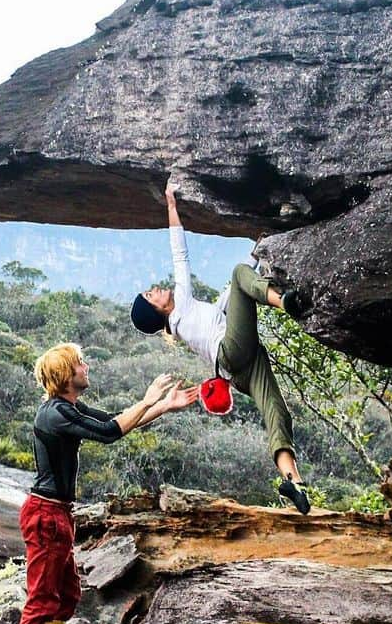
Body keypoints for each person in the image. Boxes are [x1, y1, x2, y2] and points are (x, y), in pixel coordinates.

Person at [9, 342, 198, 624]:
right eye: (80, 363)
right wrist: (148, 398)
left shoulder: (67, 408)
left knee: (67, 596)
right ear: (66, 374)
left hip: (58, 514)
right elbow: (111, 432)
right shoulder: (54, 414)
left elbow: (114, 424)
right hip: (45, 515)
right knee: (41, 601)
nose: (86, 367)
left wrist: (163, 406)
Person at [131, 181, 311, 514]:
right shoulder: (180, 305)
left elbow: (227, 300)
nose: (155, 290)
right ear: (157, 310)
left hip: (239, 367)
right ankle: (287, 303)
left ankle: (294, 483)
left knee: (277, 414)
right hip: (232, 352)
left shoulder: (188, 319)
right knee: (239, 272)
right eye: (150, 296)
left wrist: (256, 253)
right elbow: (181, 255)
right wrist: (171, 205)